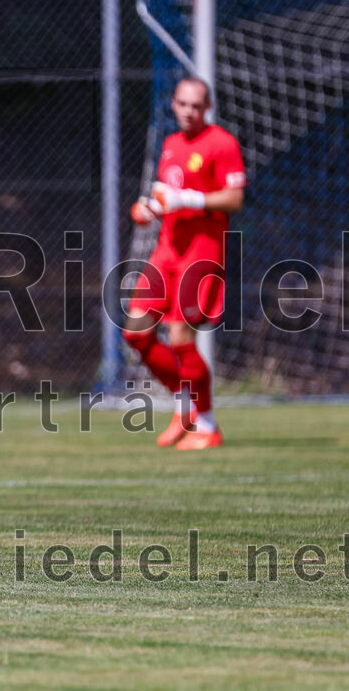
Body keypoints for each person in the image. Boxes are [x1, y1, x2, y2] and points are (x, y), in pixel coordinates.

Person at [124, 77, 247, 450]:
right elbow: (169, 197)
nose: (189, 111)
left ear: (206, 107)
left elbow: (234, 198)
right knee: (136, 332)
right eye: (183, 104)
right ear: (173, 104)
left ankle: (207, 426)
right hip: (167, 253)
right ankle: (186, 402)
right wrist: (150, 208)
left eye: (197, 105)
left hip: (201, 255)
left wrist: (190, 200)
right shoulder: (171, 144)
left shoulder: (221, 143)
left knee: (180, 338)